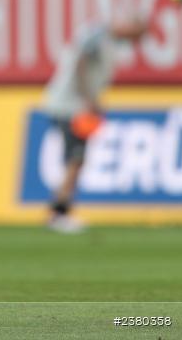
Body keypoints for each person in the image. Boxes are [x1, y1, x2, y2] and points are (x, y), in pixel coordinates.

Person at [44, 18, 147, 234]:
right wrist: (88, 98)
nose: (135, 41)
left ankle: (60, 208)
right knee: (76, 157)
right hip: (70, 106)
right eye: (136, 34)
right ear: (128, 26)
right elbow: (80, 62)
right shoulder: (99, 37)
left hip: (74, 106)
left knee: (77, 159)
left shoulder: (105, 39)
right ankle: (58, 214)